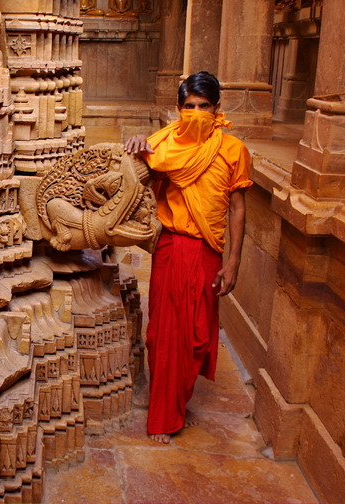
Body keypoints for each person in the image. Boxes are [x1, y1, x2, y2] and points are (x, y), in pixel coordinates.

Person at [125, 71, 252, 444]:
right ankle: (163, 417)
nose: (197, 113)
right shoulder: (161, 145)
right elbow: (132, 176)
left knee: (197, 337)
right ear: (178, 109)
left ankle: (178, 400)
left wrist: (234, 262)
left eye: (205, 106)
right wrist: (136, 146)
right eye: (190, 106)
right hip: (172, 248)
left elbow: (238, 209)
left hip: (208, 251)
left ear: (217, 109)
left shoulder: (233, 150)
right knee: (164, 335)